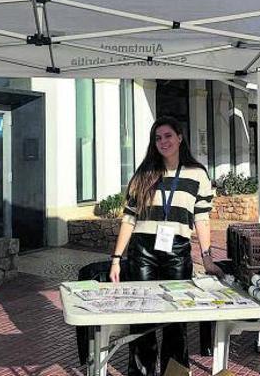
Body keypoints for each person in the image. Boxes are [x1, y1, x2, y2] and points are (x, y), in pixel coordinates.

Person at [109, 115, 221, 376]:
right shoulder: (144, 174)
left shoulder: (197, 174)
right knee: (142, 316)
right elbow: (129, 219)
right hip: (143, 251)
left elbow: (202, 219)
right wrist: (116, 259)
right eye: (158, 138)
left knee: (176, 318)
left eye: (168, 136)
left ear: (180, 137)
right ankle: (141, 372)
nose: (163, 142)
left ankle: (175, 373)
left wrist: (207, 259)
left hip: (177, 250)